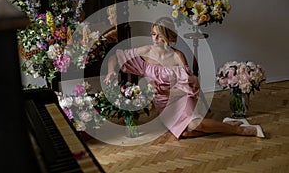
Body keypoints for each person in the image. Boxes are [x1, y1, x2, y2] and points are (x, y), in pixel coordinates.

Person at [104, 17, 265, 140]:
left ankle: (240, 130)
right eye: (153, 35)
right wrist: (111, 71)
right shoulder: (146, 51)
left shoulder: (177, 57)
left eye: (160, 36)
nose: (155, 39)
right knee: (185, 134)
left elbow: (189, 89)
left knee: (195, 124)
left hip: (181, 97)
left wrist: (169, 93)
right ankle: (227, 124)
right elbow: (114, 57)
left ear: (169, 37)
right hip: (163, 104)